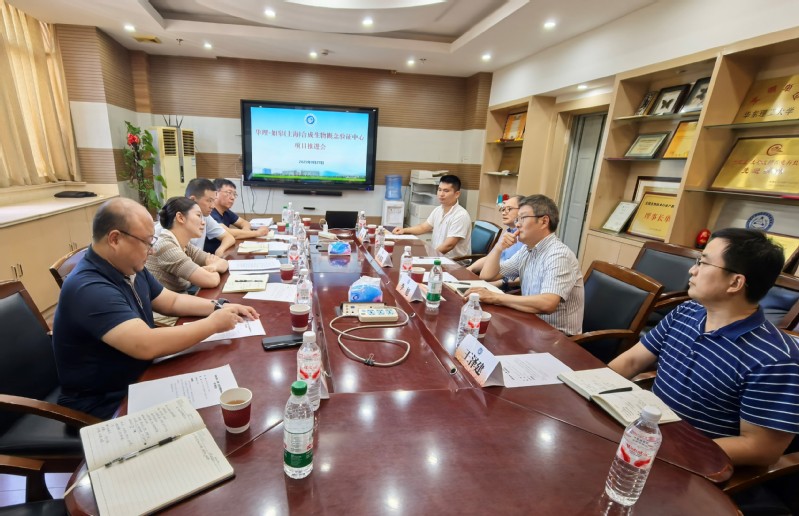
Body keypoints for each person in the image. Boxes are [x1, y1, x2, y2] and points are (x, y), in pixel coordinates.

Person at [53, 198, 258, 419]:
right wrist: (213, 325)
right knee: (213, 417)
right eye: (147, 242)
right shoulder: (89, 287)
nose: (151, 251)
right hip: (109, 402)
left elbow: (171, 301)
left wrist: (219, 306)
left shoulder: (128, 266)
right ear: (115, 239)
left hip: (144, 376)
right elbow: (146, 344)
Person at [609, 228, 799, 467]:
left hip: (690, 464)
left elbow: (761, 449)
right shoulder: (686, 312)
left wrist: (669, 449)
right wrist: (592, 391)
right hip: (643, 437)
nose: (692, 270)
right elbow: (631, 361)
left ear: (735, 282)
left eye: (703, 263)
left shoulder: (776, 359)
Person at [466, 194, 583, 336]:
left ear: (544, 221)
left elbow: (547, 303)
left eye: (523, 218)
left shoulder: (558, 255)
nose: (517, 224)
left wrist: (495, 297)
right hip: (531, 324)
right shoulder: (527, 250)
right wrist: (498, 248)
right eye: (517, 219)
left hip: (557, 336)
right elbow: (488, 275)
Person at [146, 196, 229, 325]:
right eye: (198, 216)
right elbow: (210, 281)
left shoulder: (184, 244)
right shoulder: (166, 246)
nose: (203, 222)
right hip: (166, 319)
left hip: (181, 306)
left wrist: (214, 267)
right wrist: (212, 269)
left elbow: (223, 263)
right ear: (180, 217)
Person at [392, 174, 471, 258]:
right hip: (438, 257)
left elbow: (449, 245)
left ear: (457, 194)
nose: (441, 194)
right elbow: (423, 227)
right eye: (439, 190)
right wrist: (404, 230)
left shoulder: (461, 215)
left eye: (446, 191)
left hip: (453, 262)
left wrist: (429, 257)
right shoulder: (438, 210)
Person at [158, 178, 235, 257]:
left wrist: (219, 251)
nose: (212, 206)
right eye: (209, 201)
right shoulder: (166, 229)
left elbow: (228, 237)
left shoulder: (205, 216)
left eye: (213, 201)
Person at [467, 194, 525, 291]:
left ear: (523, 211)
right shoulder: (508, 232)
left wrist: (499, 283)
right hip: (491, 277)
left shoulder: (525, 238)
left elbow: (525, 275)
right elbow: (490, 258)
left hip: (508, 286)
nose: (504, 213)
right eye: (503, 209)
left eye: (509, 209)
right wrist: (470, 269)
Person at [207, 178, 269, 254]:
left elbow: (244, 223)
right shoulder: (210, 212)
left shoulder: (226, 211)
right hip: (211, 256)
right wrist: (258, 233)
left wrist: (245, 232)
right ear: (216, 194)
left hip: (226, 251)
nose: (232, 197)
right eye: (229, 193)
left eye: (234, 194)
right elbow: (227, 232)